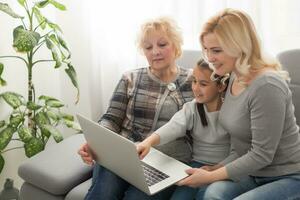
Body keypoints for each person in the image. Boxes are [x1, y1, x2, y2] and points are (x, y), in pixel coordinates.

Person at [176, 8, 300, 200]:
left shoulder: (267, 85)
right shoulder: (233, 76)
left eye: (216, 50)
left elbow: (262, 154)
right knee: (212, 194)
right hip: (254, 173)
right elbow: (240, 146)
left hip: (288, 175)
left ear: (240, 46)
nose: (209, 58)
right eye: (207, 50)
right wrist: (217, 168)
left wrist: (210, 176)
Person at [78, 17, 194, 200]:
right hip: (124, 154)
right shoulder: (130, 78)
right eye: (148, 47)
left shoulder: (194, 82)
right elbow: (111, 119)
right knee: (103, 194)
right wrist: (96, 142)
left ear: (176, 45)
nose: (155, 52)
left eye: (162, 44)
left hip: (166, 162)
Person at [137, 58, 230, 200]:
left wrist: (215, 169)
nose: (195, 88)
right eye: (194, 81)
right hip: (197, 166)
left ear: (221, 86)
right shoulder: (192, 108)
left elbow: (241, 151)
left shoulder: (233, 111)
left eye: (203, 84)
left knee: (204, 196)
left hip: (224, 168)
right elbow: (173, 126)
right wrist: (148, 142)